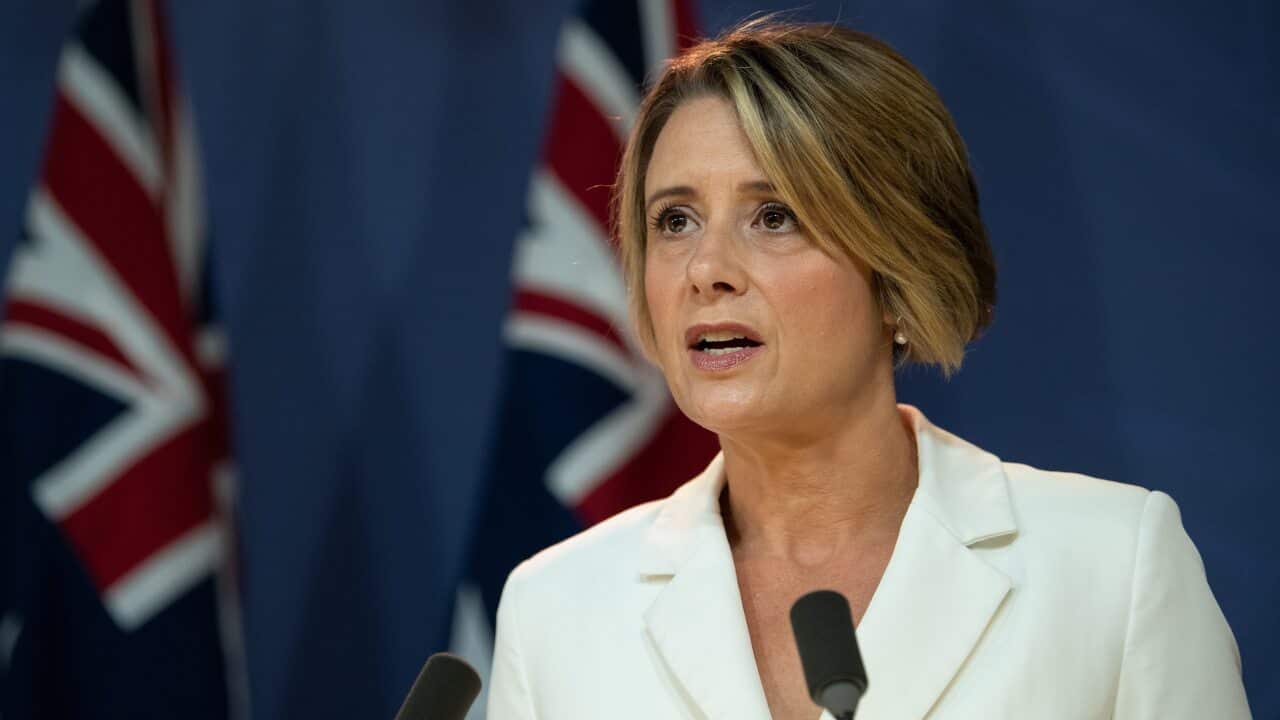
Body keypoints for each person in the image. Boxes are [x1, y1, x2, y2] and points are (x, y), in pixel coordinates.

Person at [486, 18, 1250, 719]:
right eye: (675, 221)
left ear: (896, 270)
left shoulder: (1111, 566)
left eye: (774, 216)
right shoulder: (557, 604)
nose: (705, 269)